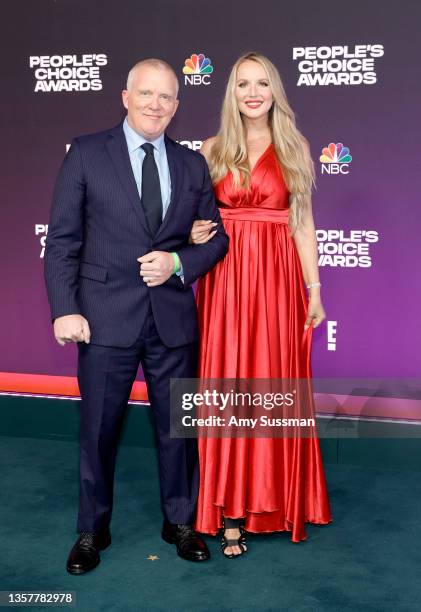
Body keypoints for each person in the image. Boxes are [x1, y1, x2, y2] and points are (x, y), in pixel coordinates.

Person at [44, 58, 229, 573]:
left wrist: (177, 262)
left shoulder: (191, 165)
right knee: (98, 431)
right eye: (146, 94)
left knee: (178, 430)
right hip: (103, 319)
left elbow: (217, 240)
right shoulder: (85, 154)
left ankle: (181, 522)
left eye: (167, 97)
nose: (156, 104)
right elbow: (60, 243)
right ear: (125, 97)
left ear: (177, 105)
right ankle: (91, 530)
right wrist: (65, 310)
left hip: (171, 320)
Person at [190, 52, 332, 557]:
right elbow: (194, 219)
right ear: (232, 92)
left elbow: (303, 225)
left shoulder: (294, 146)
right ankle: (227, 507)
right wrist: (195, 230)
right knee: (228, 381)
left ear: (275, 91)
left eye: (262, 83)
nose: (253, 92)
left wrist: (314, 290)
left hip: (277, 280)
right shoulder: (212, 149)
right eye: (244, 84)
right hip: (225, 279)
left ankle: (274, 500)